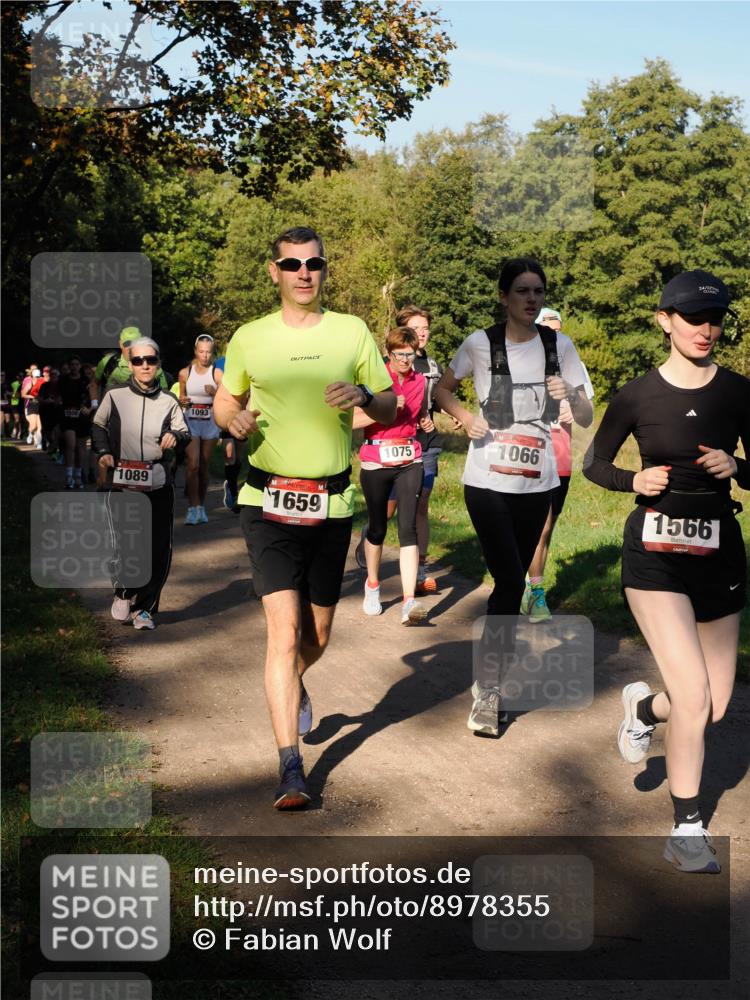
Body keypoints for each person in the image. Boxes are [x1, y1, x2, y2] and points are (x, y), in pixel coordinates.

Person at [213, 225, 395, 810]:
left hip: (333, 501)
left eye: (313, 263)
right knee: (283, 634)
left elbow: (391, 401)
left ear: (323, 269)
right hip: (265, 501)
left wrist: (365, 398)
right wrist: (230, 421)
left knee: (315, 636)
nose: (303, 273)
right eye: (291, 264)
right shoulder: (249, 337)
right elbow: (227, 397)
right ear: (274, 272)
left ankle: (297, 680)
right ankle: (291, 766)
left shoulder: (353, 332)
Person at [583, 270, 749, 874]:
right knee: (695, 693)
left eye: (715, 319)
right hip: (653, 558)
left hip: (720, 556)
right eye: (692, 317)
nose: (706, 329)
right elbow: (594, 464)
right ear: (665, 320)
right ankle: (686, 829)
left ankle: (641, 711)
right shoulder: (636, 395)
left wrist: (738, 465)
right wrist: (634, 480)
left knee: (715, 706)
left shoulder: (739, 392)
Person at [434, 257, 592, 736]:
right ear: (504, 296)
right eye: (522, 291)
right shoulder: (480, 344)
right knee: (506, 576)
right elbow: (443, 390)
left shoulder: (559, 345)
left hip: (537, 481)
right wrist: (464, 415)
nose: (531, 299)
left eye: (538, 292)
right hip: (485, 479)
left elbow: (584, 414)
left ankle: (490, 680)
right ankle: (489, 692)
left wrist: (571, 395)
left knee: (512, 584)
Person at [92, 337, 191, 630]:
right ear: (131, 364)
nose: (145, 365)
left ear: (159, 363)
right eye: (138, 360)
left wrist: (176, 436)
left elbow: (184, 432)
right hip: (123, 481)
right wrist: (104, 452)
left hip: (158, 481)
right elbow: (98, 426)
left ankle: (145, 609)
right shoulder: (115, 395)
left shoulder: (169, 401)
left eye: (151, 360)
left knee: (159, 547)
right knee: (126, 543)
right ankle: (124, 590)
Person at [520, 307, 596, 622]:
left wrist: (574, 406)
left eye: (558, 329)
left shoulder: (571, 362)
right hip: (530, 449)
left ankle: (527, 585)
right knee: (542, 523)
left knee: (547, 528)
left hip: (561, 452)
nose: (554, 335)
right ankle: (534, 591)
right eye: (547, 329)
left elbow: (587, 407)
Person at [354, 326, 430, 625]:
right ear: (388, 353)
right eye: (399, 354)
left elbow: (419, 414)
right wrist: (383, 410)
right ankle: (372, 584)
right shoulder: (373, 382)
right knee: (377, 527)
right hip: (376, 459)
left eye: (410, 354)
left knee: (407, 527)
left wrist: (425, 421)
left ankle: (409, 603)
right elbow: (351, 421)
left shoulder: (420, 381)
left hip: (409, 458)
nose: (404, 360)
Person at [178, 335, 222, 525]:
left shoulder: (217, 373)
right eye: (201, 351)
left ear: (212, 353)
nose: (205, 355)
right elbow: (181, 396)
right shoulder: (185, 373)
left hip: (210, 422)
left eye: (208, 352)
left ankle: (201, 507)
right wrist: (182, 400)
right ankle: (192, 508)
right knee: (193, 463)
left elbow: (228, 399)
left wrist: (215, 394)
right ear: (196, 351)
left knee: (203, 466)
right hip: (191, 421)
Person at [91, 327, 169, 405]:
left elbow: (165, 395)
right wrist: (94, 404)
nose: (131, 347)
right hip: (112, 413)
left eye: (134, 343)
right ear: (121, 344)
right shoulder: (108, 361)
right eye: (127, 343)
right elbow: (94, 383)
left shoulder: (152, 365)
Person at [214, 355, 244, 513]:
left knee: (238, 458)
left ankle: (230, 483)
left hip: (243, 415)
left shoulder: (249, 359)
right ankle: (233, 492)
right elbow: (218, 383)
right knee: (229, 456)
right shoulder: (221, 362)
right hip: (226, 415)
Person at [58, 356, 93, 489]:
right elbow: (58, 396)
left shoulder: (86, 381)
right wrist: (58, 402)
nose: (74, 367)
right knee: (70, 445)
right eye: (72, 364)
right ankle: (68, 476)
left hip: (82, 417)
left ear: (80, 366)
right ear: (69, 366)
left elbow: (94, 397)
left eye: (76, 364)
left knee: (80, 448)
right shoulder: (63, 380)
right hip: (67, 416)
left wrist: (89, 409)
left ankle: (78, 476)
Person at [21, 366, 45, 449]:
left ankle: (39, 443)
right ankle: (30, 434)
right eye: (36, 377)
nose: (37, 378)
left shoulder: (43, 382)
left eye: (38, 377)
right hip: (32, 405)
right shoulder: (29, 383)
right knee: (33, 426)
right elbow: (23, 394)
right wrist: (32, 396)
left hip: (41, 405)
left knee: (40, 427)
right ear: (32, 376)